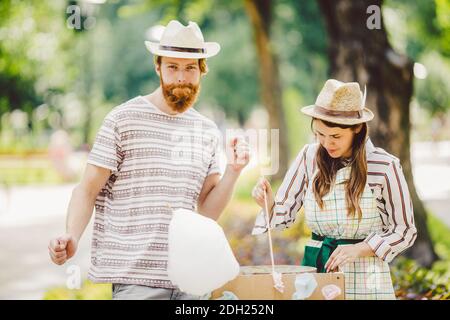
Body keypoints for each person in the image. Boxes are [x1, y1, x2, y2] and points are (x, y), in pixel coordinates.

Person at [48, 20, 250, 300]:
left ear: (202, 70)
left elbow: (205, 213)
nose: (181, 77)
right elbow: (87, 189)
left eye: (190, 68)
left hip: (192, 280)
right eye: (172, 67)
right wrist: (72, 234)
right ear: (158, 67)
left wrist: (234, 171)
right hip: (135, 281)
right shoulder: (122, 120)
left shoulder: (206, 131)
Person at [251, 79, 417, 299]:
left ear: (357, 129)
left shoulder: (384, 166)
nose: (326, 143)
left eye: (336, 136)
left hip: (367, 276)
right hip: (317, 269)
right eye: (320, 134)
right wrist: (268, 202)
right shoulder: (308, 157)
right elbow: (282, 214)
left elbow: (404, 230)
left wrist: (360, 248)